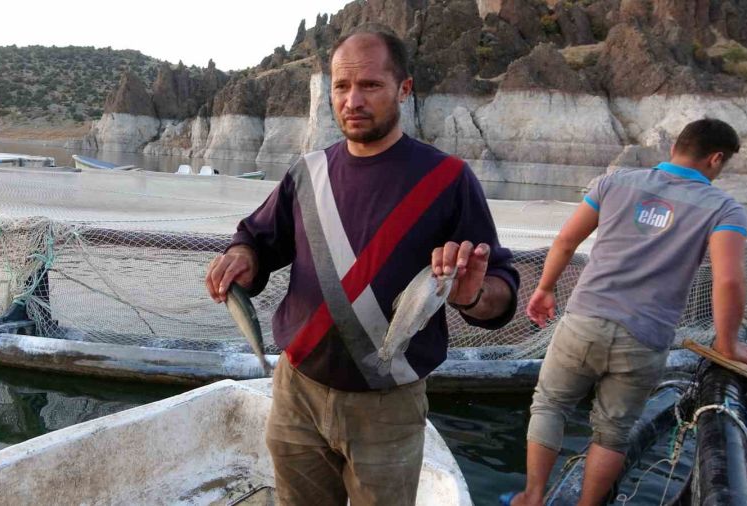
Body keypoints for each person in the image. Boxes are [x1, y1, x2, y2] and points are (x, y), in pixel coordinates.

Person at [205, 26, 519, 505]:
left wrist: (472, 294)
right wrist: (240, 257)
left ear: (404, 89)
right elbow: (257, 241)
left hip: (389, 407)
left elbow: (499, 292)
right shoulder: (305, 174)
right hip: (296, 394)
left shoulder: (448, 179)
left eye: (370, 85)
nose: (353, 100)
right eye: (341, 86)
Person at [505, 118, 747, 506]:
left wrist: (544, 288)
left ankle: (533, 496)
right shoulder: (724, 209)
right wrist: (726, 344)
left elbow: (567, 240)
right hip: (645, 337)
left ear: (675, 147)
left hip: (584, 319)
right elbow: (728, 281)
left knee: (550, 404)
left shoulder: (614, 183)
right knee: (613, 432)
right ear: (716, 159)